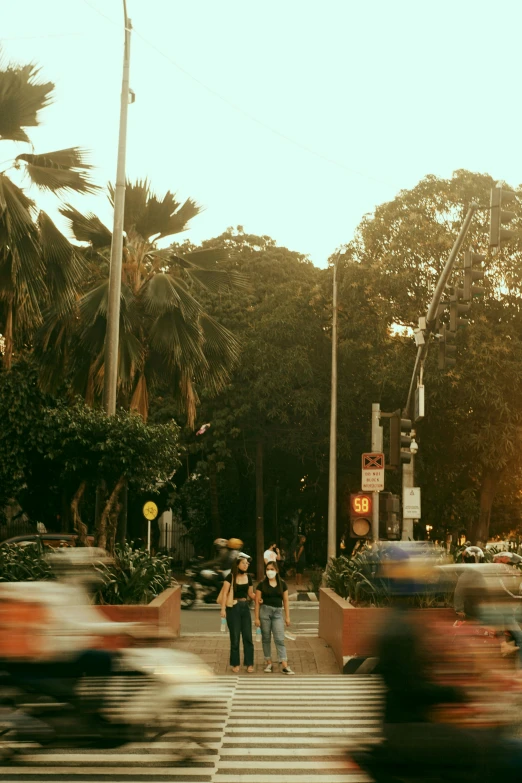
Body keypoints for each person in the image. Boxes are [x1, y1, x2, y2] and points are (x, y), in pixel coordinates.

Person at [255, 562, 294, 675]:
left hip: (277, 613)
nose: (269, 571)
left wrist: (287, 617)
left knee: (279, 638)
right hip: (264, 613)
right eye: (267, 569)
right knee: (266, 638)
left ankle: (284, 664)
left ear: (276, 570)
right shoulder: (261, 584)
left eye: (272, 569)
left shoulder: (282, 584)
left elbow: (286, 601)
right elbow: (257, 602)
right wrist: (256, 618)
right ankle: (268, 662)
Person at [220, 554, 255, 674]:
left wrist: (259, 598)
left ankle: (249, 663)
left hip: (245, 607)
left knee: (248, 637)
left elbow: (251, 594)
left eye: (247, 563)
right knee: (235, 638)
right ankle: (235, 663)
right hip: (233, 607)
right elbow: (224, 593)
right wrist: (223, 609)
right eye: (244, 563)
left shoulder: (249, 578)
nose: (246, 565)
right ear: (237, 564)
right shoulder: (230, 577)